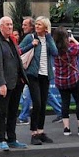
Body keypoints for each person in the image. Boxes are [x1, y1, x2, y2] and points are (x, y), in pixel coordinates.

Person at [0, 16, 25, 151]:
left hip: (16, 81)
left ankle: (12, 138)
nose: (10, 27)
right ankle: (1, 139)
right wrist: (1, 84)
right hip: (5, 82)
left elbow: (17, 60)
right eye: (7, 25)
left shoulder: (12, 40)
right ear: (1, 27)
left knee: (13, 111)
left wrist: (22, 78)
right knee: (2, 111)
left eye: (11, 24)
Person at [20, 17, 56, 145]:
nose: (36, 26)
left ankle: (41, 131)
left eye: (39, 25)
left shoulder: (48, 39)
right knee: (37, 103)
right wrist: (32, 45)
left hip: (45, 75)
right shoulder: (30, 37)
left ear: (45, 27)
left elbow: (55, 52)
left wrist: (49, 38)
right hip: (33, 74)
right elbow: (19, 50)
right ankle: (33, 133)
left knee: (43, 104)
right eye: (36, 24)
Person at [52, 27, 79, 136]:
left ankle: (66, 128)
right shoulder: (71, 48)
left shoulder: (54, 49)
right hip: (73, 79)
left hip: (60, 81)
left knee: (65, 103)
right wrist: (73, 39)